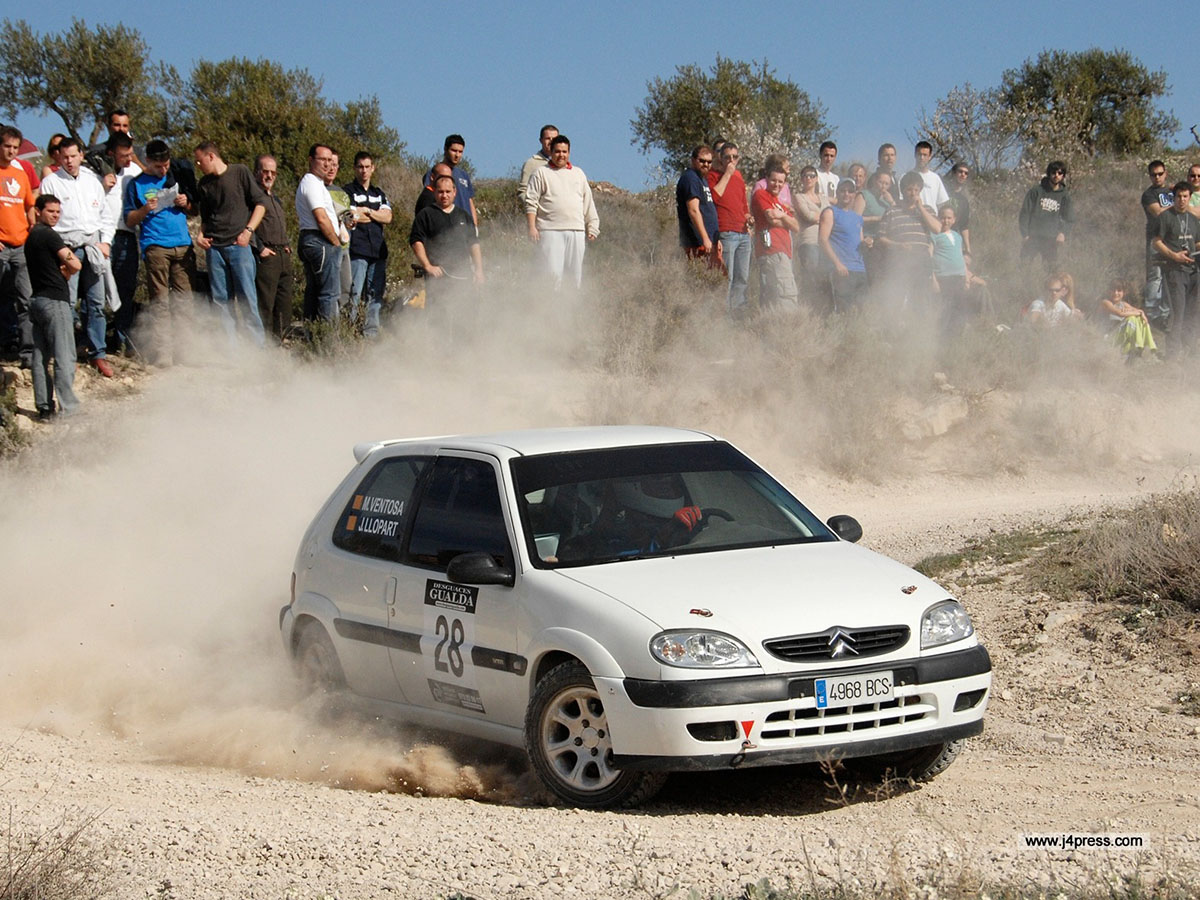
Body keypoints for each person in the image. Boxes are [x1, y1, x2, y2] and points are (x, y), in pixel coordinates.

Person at [39, 137, 119, 377]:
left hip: (93, 244)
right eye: (64, 157)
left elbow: (106, 214)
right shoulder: (51, 182)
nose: (69, 161)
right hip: (66, 247)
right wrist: (57, 251)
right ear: (58, 158)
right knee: (66, 302)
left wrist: (105, 240)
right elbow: (48, 219)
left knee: (95, 302)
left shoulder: (93, 181)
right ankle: (66, 353)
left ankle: (99, 353)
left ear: (81, 155)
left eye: (73, 156)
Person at [123, 140, 198, 365]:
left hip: (182, 243)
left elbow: (194, 211)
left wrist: (186, 203)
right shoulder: (136, 184)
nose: (163, 170)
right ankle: (163, 353)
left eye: (166, 165)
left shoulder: (178, 175)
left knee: (185, 300)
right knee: (160, 301)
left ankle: (186, 352)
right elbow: (129, 219)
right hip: (155, 245)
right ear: (147, 161)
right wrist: (146, 209)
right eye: (158, 166)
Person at [193, 141, 267, 347]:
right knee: (220, 301)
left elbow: (260, 205)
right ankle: (230, 351)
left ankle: (257, 349)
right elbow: (206, 217)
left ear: (211, 156)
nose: (198, 165)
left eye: (200, 161)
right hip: (214, 248)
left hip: (239, 246)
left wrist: (248, 232)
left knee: (247, 298)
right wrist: (200, 235)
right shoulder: (204, 184)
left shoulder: (240, 172)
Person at [25, 194, 82, 418]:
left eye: (58, 212)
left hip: (37, 300)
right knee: (64, 356)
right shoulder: (49, 235)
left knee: (40, 357)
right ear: (38, 211)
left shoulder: (31, 237)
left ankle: (44, 407)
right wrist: (68, 269)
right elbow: (75, 263)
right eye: (51, 211)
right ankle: (70, 408)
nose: (55, 216)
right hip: (54, 301)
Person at [523, 134, 599, 291]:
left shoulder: (578, 173)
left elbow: (588, 202)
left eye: (564, 152)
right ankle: (551, 310)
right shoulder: (541, 173)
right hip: (550, 231)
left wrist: (592, 226)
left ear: (569, 153)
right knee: (552, 275)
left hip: (576, 231)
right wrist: (532, 227)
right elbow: (531, 201)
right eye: (557, 151)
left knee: (574, 277)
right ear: (551, 151)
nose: (561, 155)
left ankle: (572, 310)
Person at [409, 174, 483, 326]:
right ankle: (437, 349)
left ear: (455, 192)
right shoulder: (426, 215)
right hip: (438, 277)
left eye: (448, 192)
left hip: (463, 276)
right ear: (435, 192)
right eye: (441, 192)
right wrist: (428, 266)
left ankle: (463, 349)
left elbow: (473, 243)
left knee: (464, 318)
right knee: (438, 318)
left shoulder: (464, 215)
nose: (444, 195)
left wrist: (479, 270)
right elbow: (416, 241)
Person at [344, 151, 391, 338]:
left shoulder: (379, 194)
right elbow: (352, 216)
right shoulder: (348, 191)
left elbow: (388, 217)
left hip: (378, 250)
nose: (364, 171)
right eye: (360, 167)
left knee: (376, 293)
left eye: (367, 167)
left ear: (373, 168)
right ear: (355, 168)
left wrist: (369, 212)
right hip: (358, 249)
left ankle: (370, 333)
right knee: (354, 292)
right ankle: (349, 331)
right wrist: (371, 215)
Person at [878, 171, 940, 310]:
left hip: (922, 260)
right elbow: (881, 237)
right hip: (899, 261)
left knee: (922, 300)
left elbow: (937, 228)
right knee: (896, 299)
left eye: (916, 190)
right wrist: (898, 245)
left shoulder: (927, 210)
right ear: (903, 191)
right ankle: (894, 328)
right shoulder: (892, 211)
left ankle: (920, 328)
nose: (913, 193)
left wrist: (921, 208)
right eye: (909, 189)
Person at [0, 126, 35, 367]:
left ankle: (28, 354)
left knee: (26, 300)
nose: (11, 151)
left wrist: (33, 229)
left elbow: (29, 205)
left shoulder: (21, 173)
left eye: (15, 147)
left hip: (21, 243)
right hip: (1, 245)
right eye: (7, 146)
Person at [106, 133, 143, 355]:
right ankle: (95, 343)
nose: (128, 160)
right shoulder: (94, 173)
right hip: (103, 237)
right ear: (111, 154)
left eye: (130, 155)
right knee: (96, 292)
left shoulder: (134, 173)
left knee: (126, 290)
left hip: (128, 235)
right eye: (124, 156)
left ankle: (124, 341)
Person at [296, 144, 342, 321]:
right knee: (329, 294)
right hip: (320, 241)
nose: (327, 164)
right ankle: (328, 342)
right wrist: (336, 243)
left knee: (315, 292)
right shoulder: (312, 183)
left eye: (330, 160)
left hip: (315, 240)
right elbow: (321, 218)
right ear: (311, 160)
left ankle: (314, 335)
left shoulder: (315, 184)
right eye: (322, 159)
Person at [1151, 182, 1199, 354]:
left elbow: (1196, 242)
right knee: (1177, 313)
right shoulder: (1165, 217)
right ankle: (1171, 355)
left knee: (1192, 314)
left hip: (1193, 271)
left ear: (1189, 198)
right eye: (1179, 196)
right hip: (1174, 271)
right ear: (1174, 197)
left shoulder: (1193, 219)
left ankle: (1190, 352)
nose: (1182, 200)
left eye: (1185, 196)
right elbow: (1156, 242)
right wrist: (1174, 255)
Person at [251, 155, 293, 343]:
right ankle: (264, 346)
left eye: (273, 172)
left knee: (284, 303)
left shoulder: (275, 199)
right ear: (256, 172)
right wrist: (260, 248)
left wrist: (287, 246)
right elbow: (246, 226)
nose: (269, 176)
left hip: (283, 255)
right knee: (266, 304)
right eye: (265, 171)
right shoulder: (252, 198)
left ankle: (279, 342)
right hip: (267, 256)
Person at [708, 141, 752, 319]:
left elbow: (743, 203)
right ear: (721, 158)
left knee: (742, 278)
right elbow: (714, 197)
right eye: (727, 157)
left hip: (742, 233)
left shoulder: (739, 176)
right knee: (727, 277)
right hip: (726, 232)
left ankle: (738, 315)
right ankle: (722, 318)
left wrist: (748, 217)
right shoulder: (713, 175)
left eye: (735, 157)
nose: (731, 160)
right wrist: (727, 174)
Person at [751, 160, 799, 310]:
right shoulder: (761, 194)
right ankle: (789, 327)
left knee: (773, 296)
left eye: (781, 182)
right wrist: (785, 219)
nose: (777, 185)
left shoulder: (780, 203)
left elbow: (797, 226)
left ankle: (774, 330)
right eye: (773, 180)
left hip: (783, 251)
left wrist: (782, 216)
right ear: (766, 179)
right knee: (786, 294)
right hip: (772, 251)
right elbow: (771, 217)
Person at [818, 179, 868, 312]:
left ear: (854, 194)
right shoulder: (830, 212)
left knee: (861, 311)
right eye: (842, 190)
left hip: (859, 269)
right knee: (842, 311)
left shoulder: (857, 218)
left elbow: (860, 242)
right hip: (842, 270)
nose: (846, 194)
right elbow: (823, 240)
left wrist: (868, 242)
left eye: (850, 191)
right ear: (837, 193)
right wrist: (837, 264)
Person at [1019, 160, 1073, 266]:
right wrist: (1025, 234)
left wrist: (1063, 233)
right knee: (1024, 266)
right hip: (1033, 236)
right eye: (1053, 172)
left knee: (1051, 269)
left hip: (1051, 239)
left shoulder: (1064, 196)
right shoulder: (1036, 191)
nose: (1056, 175)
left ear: (1063, 176)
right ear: (1049, 173)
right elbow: (1025, 212)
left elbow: (1069, 218)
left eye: (1060, 173)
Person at [1141, 160, 1172, 326]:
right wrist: (1179, 206)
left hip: (1172, 241)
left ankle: (1166, 315)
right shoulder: (1148, 195)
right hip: (1155, 239)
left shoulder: (1172, 192)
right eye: (1154, 174)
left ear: (1165, 173)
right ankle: (1152, 315)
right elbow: (1158, 212)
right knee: (1155, 277)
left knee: (1170, 277)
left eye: (1160, 173)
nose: (1157, 177)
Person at [676, 145, 718, 263]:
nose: (706, 164)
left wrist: (716, 240)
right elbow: (693, 210)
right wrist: (705, 238)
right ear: (693, 160)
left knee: (718, 277)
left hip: (709, 242)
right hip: (697, 242)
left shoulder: (702, 179)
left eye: (709, 162)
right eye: (702, 161)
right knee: (702, 277)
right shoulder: (690, 178)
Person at [425, 134, 476, 227]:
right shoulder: (435, 173)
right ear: (445, 149)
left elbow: (470, 201)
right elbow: (428, 198)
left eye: (460, 152)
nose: (457, 155)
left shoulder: (464, 175)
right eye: (454, 150)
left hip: (466, 227)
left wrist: (475, 226)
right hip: (446, 226)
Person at [1098, 278, 1156, 356]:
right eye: (1113, 290)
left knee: (1139, 319)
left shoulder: (1123, 304)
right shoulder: (1106, 302)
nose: (1115, 293)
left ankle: (1144, 346)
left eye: (1119, 290)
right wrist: (1137, 313)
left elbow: (1140, 311)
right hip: (1108, 337)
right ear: (1108, 291)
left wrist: (1141, 314)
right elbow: (1119, 313)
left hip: (1120, 336)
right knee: (1131, 318)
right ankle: (1137, 345)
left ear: (1124, 292)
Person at [517, 125, 558, 209]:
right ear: (541, 140)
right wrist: (536, 209)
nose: (551, 141)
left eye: (554, 139)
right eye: (547, 138)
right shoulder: (531, 163)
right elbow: (523, 192)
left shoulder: (563, 165)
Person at [907, 141, 949, 212]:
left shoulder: (935, 178)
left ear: (930, 157)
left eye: (925, 155)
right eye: (919, 154)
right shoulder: (906, 176)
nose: (922, 157)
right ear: (915, 155)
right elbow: (901, 200)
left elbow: (942, 204)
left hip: (931, 219)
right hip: (911, 219)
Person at [943, 162, 972, 255]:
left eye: (966, 173)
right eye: (960, 171)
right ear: (954, 173)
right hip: (938, 235)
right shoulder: (943, 191)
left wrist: (967, 249)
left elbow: (964, 225)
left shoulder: (964, 200)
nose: (963, 175)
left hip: (954, 238)